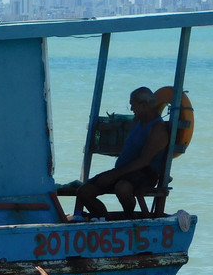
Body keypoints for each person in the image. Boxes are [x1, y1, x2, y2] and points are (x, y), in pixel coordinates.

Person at [70, 86, 169, 221]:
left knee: (122, 188)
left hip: (145, 173)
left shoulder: (158, 129)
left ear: (144, 105)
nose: (132, 109)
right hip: (122, 171)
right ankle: (104, 219)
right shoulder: (137, 121)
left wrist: (114, 174)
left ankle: (129, 215)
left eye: (133, 105)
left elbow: (144, 161)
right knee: (84, 191)